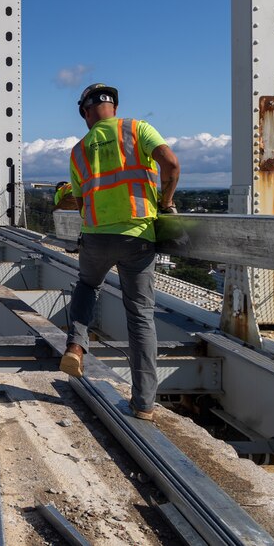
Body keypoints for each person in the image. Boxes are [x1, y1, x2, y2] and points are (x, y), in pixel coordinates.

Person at [58, 83, 180, 422]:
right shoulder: (137, 129)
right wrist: (166, 203)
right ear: (114, 105)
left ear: (86, 112)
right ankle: (143, 405)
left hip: (96, 236)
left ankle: (75, 347)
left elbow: (81, 203)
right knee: (140, 316)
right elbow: (170, 165)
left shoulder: (79, 150)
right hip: (138, 236)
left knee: (87, 285)